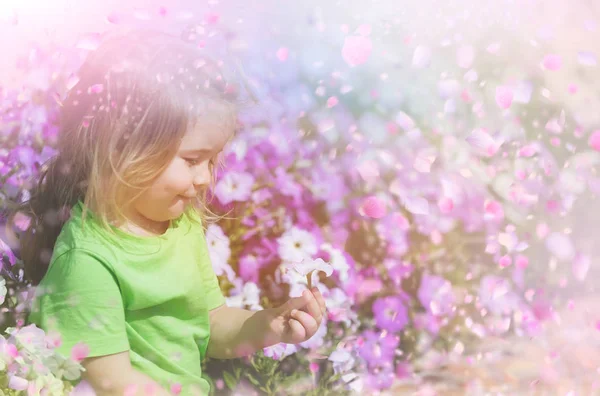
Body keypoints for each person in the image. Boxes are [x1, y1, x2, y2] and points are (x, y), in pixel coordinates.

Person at [10, 29, 327, 396]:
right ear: (122, 150)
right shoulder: (88, 261)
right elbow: (113, 383)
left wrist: (266, 326)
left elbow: (210, 323)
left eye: (213, 160)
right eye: (193, 160)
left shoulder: (181, 226)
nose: (207, 178)